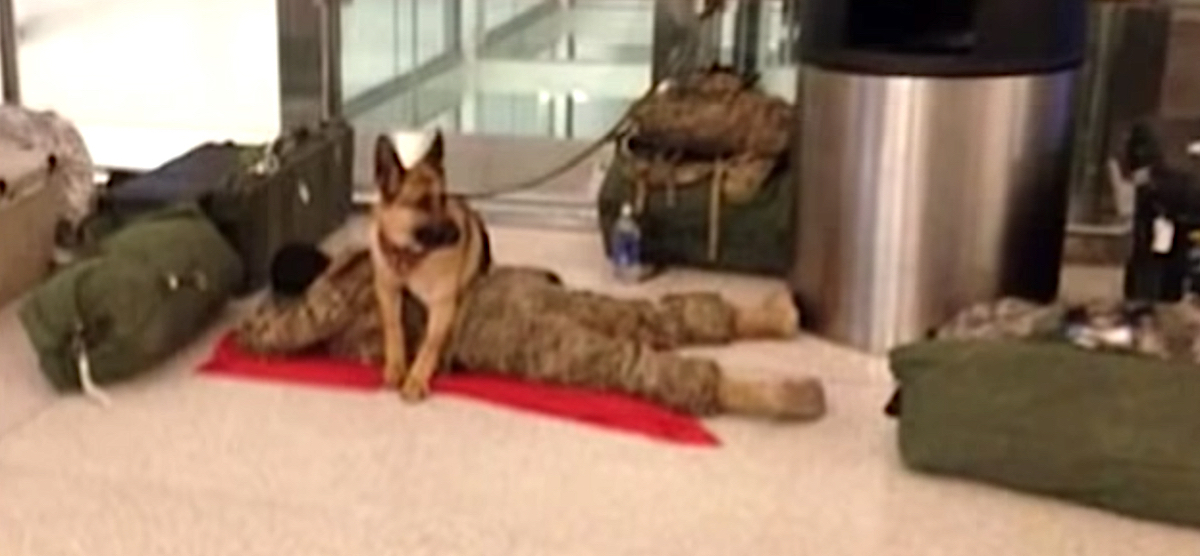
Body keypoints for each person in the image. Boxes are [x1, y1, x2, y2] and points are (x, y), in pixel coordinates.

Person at [236, 245, 827, 421]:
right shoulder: (380, 248)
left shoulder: (333, 292)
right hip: (510, 286)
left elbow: (277, 336)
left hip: (488, 332)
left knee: (615, 364)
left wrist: (249, 321)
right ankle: (759, 319)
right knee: (633, 316)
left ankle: (739, 394)